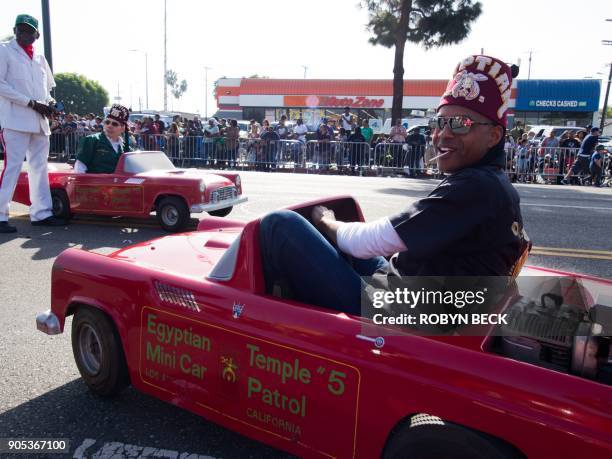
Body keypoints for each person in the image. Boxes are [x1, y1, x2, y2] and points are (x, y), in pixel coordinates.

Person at [259, 54, 530, 314]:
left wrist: (326, 220)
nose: (444, 134)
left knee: (279, 225)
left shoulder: (476, 186)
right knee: (340, 246)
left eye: (461, 124)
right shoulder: (494, 184)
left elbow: (365, 242)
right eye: (440, 122)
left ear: (494, 136)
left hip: (392, 315)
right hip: (411, 295)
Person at [0, 14, 64, 232]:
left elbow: (46, 91)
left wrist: (52, 103)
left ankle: (41, 213)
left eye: (28, 30)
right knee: (13, 167)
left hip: (39, 121)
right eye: (20, 29)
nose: (23, 33)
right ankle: (0, 216)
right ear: (15, 30)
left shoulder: (40, 57)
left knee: (39, 167)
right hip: (16, 120)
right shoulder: (4, 50)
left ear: (37, 34)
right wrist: (31, 103)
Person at [74, 104, 131, 174]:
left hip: (117, 184)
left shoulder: (125, 147)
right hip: (95, 184)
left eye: (114, 124)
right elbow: (79, 169)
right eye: (107, 122)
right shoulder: (91, 141)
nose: (109, 126)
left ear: (123, 128)